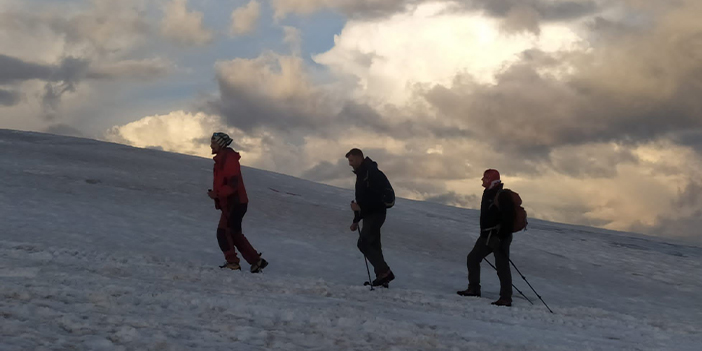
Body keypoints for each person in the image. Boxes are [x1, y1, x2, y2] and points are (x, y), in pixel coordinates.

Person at [207, 132, 268, 273]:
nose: (211, 145)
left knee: (223, 232)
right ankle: (256, 261)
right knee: (234, 233)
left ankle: (233, 263)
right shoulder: (222, 159)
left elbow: (232, 184)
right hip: (233, 202)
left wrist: (217, 194)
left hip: (234, 202)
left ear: (221, 144)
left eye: (214, 143)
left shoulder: (228, 159)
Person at [457, 169, 515, 306]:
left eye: (485, 178)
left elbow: (508, 219)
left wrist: (501, 237)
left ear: (491, 180)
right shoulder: (490, 193)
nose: (482, 180)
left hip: (499, 237)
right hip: (487, 236)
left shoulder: (502, 195)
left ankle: (506, 297)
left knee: (502, 266)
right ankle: (474, 289)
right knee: (473, 258)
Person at [346, 148, 395, 287]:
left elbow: (374, 198)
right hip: (372, 213)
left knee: (364, 243)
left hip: (376, 213)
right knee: (374, 245)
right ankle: (382, 278)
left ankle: (384, 272)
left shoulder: (370, 173)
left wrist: (359, 208)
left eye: (351, 160)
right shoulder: (363, 174)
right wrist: (356, 220)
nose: (350, 164)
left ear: (359, 158)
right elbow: (362, 199)